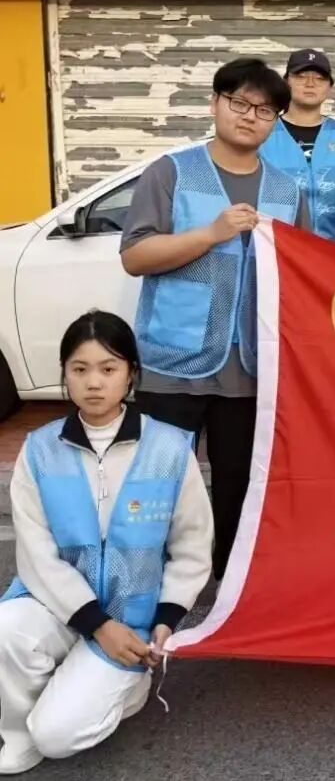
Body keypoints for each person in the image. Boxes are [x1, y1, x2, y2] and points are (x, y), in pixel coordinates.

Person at [120, 57, 307, 583]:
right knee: (159, 483)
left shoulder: (287, 190)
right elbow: (134, 255)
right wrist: (210, 233)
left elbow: (302, 274)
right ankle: (147, 583)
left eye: (265, 111)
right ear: (215, 104)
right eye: (239, 103)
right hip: (173, 360)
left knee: (238, 488)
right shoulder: (171, 172)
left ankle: (226, 591)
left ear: (276, 122)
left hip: (250, 369)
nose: (250, 116)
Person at [0, 311, 212, 774]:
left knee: (57, 737)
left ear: (130, 373)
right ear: (65, 374)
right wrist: (94, 623)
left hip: (131, 622)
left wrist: (167, 616)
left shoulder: (169, 448)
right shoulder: (39, 450)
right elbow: (35, 553)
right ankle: (16, 731)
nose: (94, 382)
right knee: (5, 627)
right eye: (79, 369)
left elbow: (192, 545)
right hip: (55, 607)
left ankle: (125, 687)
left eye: (108, 368)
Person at [259, 48, 335, 242]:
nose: (310, 84)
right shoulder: (262, 134)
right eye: (301, 76)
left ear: (329, 87)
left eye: (319, 78)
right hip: (276, 251)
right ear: (286, 82)